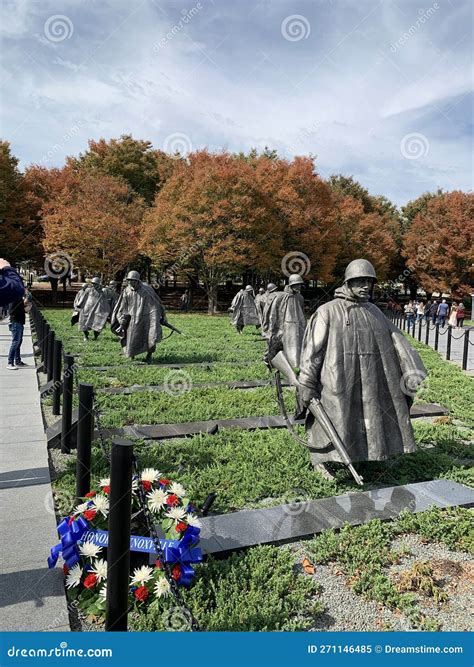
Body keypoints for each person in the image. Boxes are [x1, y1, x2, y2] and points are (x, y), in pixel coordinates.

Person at [298, 259, 427, 473]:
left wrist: (411, 369)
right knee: (335, 416)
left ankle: (368, 454)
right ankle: (322, 460)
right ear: (348, 283)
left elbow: (398, 340)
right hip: (337, 377)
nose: (366, 286)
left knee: (371, 413)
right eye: (360, 281)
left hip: (371, 377)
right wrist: (306, 381)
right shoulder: (327, 311)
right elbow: (313, 350)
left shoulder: (375, 312)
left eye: (369, 281)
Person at [111, 270, 167, 363]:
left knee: (150, 337)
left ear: (137, 281)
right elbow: (122, 307)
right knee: (130, 338)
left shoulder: (147, 290)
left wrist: (160, 316)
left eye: (133, 280)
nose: (130, 282)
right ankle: (131, 356)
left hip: (146, 318)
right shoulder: (126, 291)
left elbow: (156, 305)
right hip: (131, 318)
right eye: (129, 280)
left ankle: (149, 356)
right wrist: (121, 321)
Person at [74, 277, 111, 342]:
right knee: (83, 323)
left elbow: (105, 301)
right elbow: (83, 297)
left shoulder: (102, 292)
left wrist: (105, 310)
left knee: (97, 324)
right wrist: (79, 305)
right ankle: (86, 336)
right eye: (93, 283)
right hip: (87, 309)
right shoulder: (88, 290)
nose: (94, 285)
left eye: (96, 284)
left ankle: (95, 336)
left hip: (97, 310)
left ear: (99, 284)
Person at [7, 293, 27, 369]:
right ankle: (10, 362)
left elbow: (18, 308)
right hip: (16, 322)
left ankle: (17, 360)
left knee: (19, 342)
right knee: (15, 342)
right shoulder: (15, 297)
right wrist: (24, 310)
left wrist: (25, 307)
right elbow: (12, 311)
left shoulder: (18, 297)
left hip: (19, 322)